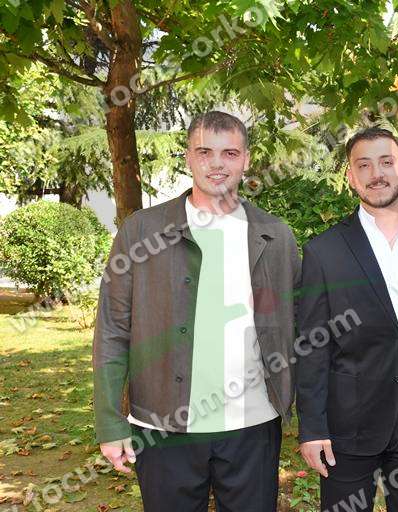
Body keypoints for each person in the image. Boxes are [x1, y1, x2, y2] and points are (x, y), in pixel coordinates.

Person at [92, 110, 300, 511]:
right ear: (187, 156)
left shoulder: (275, 236)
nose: (216, 164)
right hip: (162, 426)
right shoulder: (141, 231)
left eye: (229, 153)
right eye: (204, 152)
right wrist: (109, 421)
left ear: (246, 159)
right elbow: (113, 330)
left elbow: (293, 326)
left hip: (253, 425)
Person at [296, 127, 398, 511]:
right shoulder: (324, 251)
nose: (376, 174)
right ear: (350, 176)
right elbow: (312, 346)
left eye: (386, 162)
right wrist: (312, 428)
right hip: (347, 428)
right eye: (363, 165)